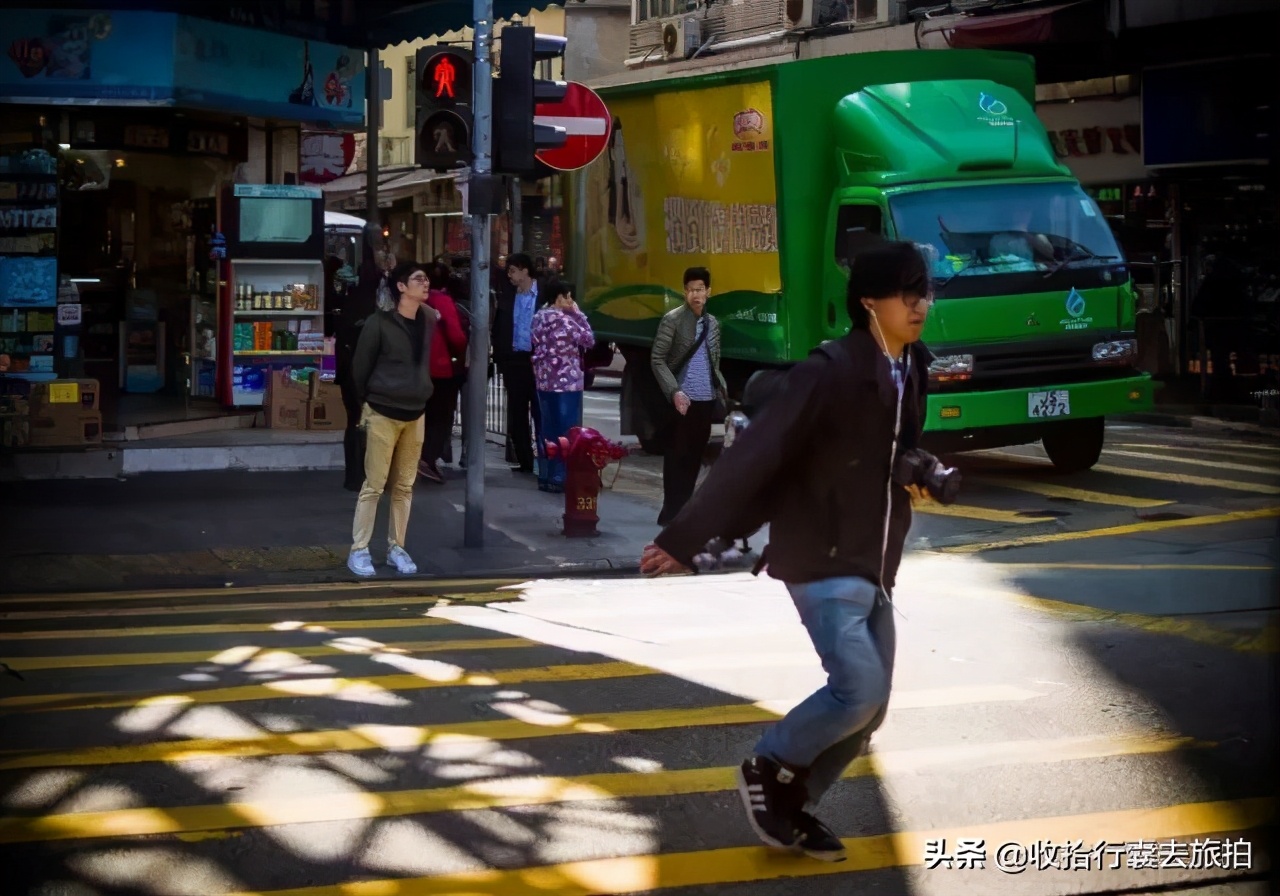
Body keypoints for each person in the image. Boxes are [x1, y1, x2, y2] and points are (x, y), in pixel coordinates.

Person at [639, 242, 937, 863]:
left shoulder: (911, 367)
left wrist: (919, 467)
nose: (921, 305)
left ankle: (790, 801)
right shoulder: (828, 372)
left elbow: (893, 450)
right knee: (857, 690)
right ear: (869, 303)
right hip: (821, 554)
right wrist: (684, 539)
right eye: (907, 294)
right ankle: (769, 764)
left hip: (875, 559)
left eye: (925, 292)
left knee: (870, 709)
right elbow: (757, 455)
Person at [346, 262, 439, 578]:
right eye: (417, 278)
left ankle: (396, 547)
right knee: (373, 485)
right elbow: (359, 370)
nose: (425, 282)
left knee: (404, 486)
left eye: (426, 278)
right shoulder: (379, 323)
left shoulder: (428, 318)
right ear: (401, 287)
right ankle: (359, 550)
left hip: (415, 413)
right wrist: (368, 404)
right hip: (383, 412)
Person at [651, 266, 726, 525]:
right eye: (691, 289)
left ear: (708, 292)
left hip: (705, 398)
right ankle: (671, 512)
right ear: (685, 292)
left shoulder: (713, 323)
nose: (696, 294)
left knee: (695, 457)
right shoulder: (672, 320)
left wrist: (720, 390)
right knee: (676, 456)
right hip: (681, 399)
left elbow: (714, 361)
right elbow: (657, 359)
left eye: (700, 289)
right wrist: (674, 392)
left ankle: (683, 512)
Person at [530, 279, 595, 492]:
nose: (571, 301)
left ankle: (545, 473)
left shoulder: (538, 318)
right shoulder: (566, 321)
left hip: (544, 380)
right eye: (568, 296)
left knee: (547, 428)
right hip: (567, 383)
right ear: (559, 297)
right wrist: (578, 314)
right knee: (566, 429)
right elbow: (588, 339)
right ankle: (560, 475)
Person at [334, 230, 382, 491]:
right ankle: (363, 474)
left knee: (353, 422)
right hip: (360, 374)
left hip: (347, 370)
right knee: (365, 423)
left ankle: (353, 475)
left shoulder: (349, 305)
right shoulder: (367, 311)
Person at [492, 253, 542, 474]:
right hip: (514, 361)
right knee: (517, 413)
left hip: (538, 361)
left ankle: (546, 459)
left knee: (541, 412)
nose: (510, 275)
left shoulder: (544, 294)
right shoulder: (508, 297)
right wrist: (502, 358)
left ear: (524, 270)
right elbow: (499, 328)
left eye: (512, 270)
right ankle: (524, 460)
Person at [418, 262, 468, 484]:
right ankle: (428, 459)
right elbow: (457, 337)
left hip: (418, 366)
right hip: (441, 367)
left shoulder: (416, 300)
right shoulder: (442, 301)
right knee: (441, 415)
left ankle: (420, 457)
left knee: (423, 414)